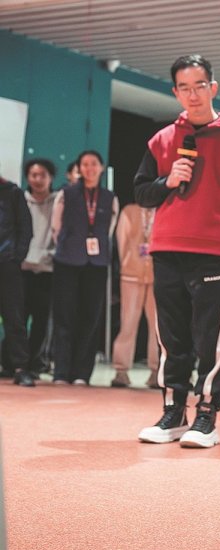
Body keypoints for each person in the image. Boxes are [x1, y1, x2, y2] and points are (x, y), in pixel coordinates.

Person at [134, 54, 220, 448]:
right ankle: (174, 410)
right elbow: (141, 192)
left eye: (200, 85)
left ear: (213, 88)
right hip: (167, 249)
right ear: (175, 92)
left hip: (213, 254)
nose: (193, 94)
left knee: (211, 338)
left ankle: (207, 414)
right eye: (184, 88)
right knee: (172, 337)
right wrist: (167, 180)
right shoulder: (162, 140)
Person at [50, 150, 119, 386]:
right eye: (84, 164)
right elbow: (56, 227)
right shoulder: (66, 194)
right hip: (67, 261)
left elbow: (110, 229)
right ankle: (61, 372)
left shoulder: (110, 197)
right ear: (79, 168)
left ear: (101, 167)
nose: (89, 168)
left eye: (93, 164)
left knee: (90, 317)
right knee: (64, 316)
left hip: (97, 264)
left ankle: (82, 373)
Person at [110, 203, 159, 389]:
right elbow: (121, 241)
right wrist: (127, 264)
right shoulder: (129, 211)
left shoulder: (162, 209)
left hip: (156, 274)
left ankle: (156, 370)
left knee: (157, 326)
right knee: (128, 322)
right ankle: (121, 370)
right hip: (131, 274)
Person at [19, 158, 57, 379]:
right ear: (27, 178)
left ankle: (34, 363)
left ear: (51, 177)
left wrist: (48, 256)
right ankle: (16, 363)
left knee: (41, 322)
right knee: (19, 320)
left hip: (47, 271)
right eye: (33, 175)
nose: (38, 179)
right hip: (22, 269)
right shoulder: (20, 200)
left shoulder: (58, 201)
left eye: (43, 175)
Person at [0, 170, 34, 386]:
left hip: (8, 264)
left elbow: (25, 228)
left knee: (14, 317)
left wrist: (17, 256)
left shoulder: (13, 192)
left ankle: (21, 368)